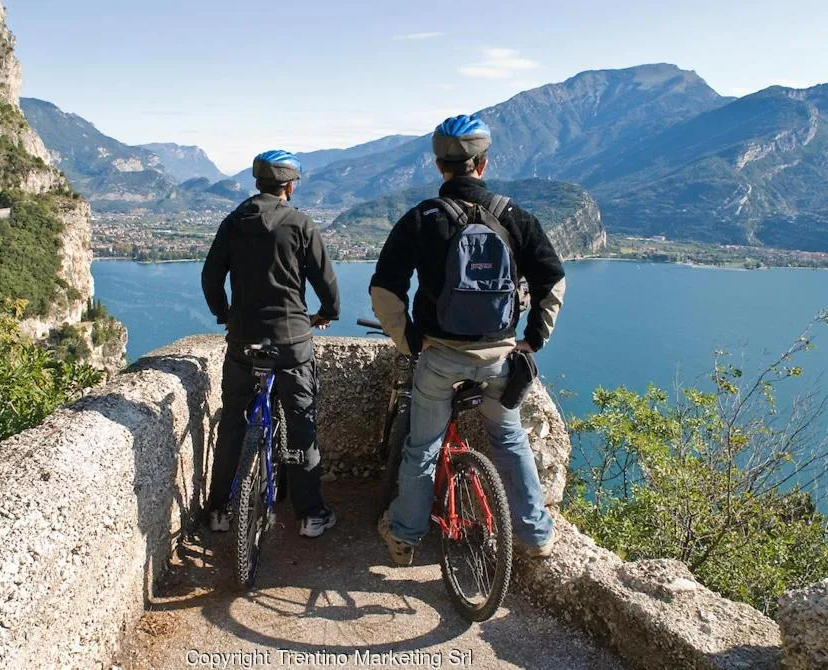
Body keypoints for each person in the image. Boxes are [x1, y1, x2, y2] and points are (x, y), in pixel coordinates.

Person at [369, 115, 566, 564]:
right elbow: (552, 283)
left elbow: (384, 291)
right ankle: (535, 534)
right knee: (509, 438)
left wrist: (409, 341)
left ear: (440, 165)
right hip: (500, 358)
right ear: (484, 162)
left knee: (422, 448)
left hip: (439, 357)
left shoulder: (422, 219)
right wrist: (531, 341)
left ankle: (405, 536)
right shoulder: (515, 217)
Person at [202, 149, 341, 538]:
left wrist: (224, 313)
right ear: (290, 185)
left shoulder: (233, 222)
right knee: (301, 423)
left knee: (233, 422)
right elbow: (325, 281)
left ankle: (219, 510)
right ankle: (311, 514)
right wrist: (327, 311)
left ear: (257, 182)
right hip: (292, 340)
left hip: (244, 340)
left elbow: (211, 278)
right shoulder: (299, 223)